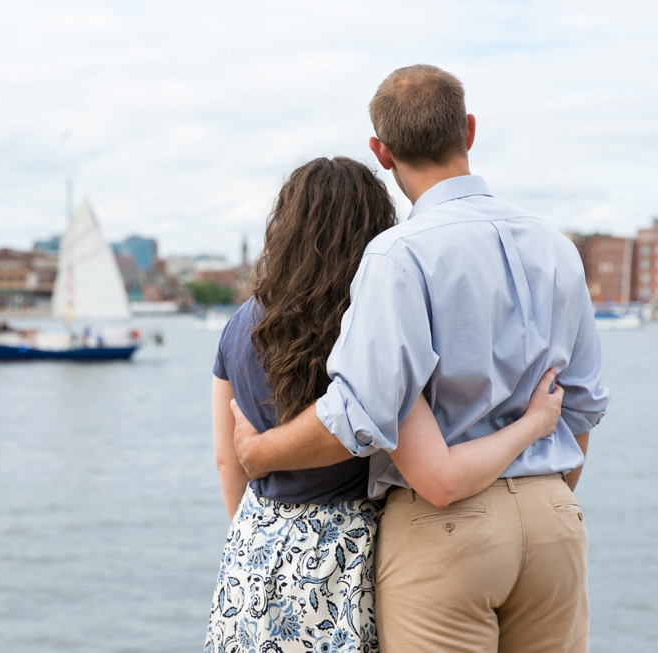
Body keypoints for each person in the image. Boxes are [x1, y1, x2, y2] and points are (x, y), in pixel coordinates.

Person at [231, 65, 610, 653]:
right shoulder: (557, 248)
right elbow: (583, 405)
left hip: (447, 528)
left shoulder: (398, 254)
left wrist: (257, 451)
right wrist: (544, 497)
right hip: (555, 517)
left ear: (381, 152)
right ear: (470, 130)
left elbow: (359, 415)